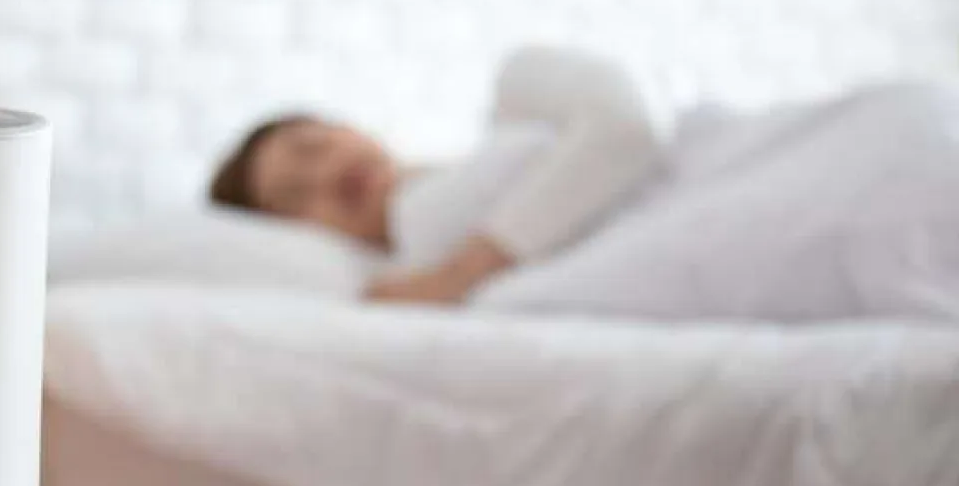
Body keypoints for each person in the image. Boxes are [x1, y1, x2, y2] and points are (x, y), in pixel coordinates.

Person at [209, 45, 670, 305]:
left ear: (345, 125)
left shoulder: (515, 97)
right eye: (296, 197)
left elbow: (624, 128)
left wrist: (461, 274)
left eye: (314, 146)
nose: (326, 175)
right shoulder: (398, 284)